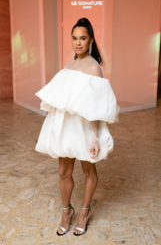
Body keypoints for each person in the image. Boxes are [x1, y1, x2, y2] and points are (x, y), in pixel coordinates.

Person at [35, 18, 120, 236]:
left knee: (88, 169)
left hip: (84, 127)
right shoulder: (68, 67)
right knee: (64, 172)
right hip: (66, 126)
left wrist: (95, 137)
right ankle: (67, 212)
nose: (78, 43)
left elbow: (97, 107)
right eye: (74, 38)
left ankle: (84, 212)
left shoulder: (93, 68)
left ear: (91, 40)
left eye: (82, 38)